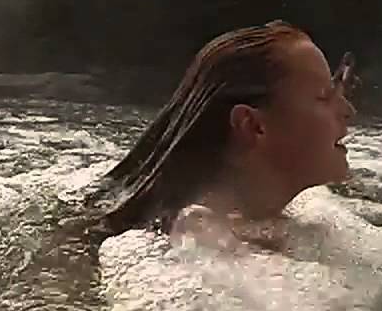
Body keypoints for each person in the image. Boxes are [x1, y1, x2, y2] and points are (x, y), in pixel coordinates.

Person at [82, 20, 356, 240]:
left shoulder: (262, 230)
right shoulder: (203, 250)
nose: (348, 111)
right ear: (252, 126)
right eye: (324, 96)